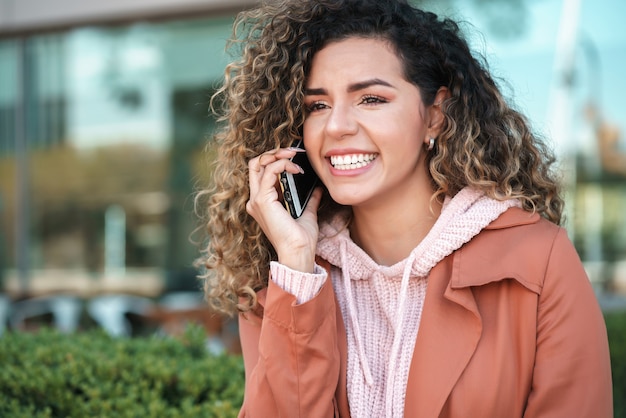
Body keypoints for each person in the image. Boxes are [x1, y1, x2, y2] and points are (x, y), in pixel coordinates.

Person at [196, 0, 613, 416]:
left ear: (435, 115)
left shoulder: (538, 261)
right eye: (317, 106)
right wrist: (298, 268)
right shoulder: (284, 281)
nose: (337, 126)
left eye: (371, 99)